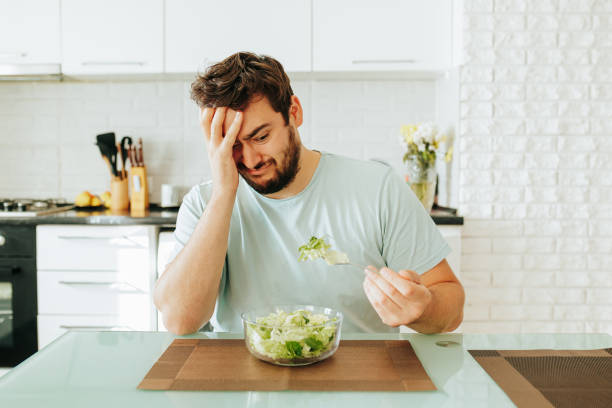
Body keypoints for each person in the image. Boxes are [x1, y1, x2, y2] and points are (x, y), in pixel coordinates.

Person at [154, 51, 464, 335]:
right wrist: (224, 193)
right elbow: (179, 321)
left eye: (261, 136)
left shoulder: (378, 188)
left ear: (294, 112)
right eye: (233, 145)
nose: (249, 160)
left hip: (360, 385)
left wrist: (421, 309)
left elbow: (451, 306)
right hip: (245, 388)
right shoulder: (204, 203)